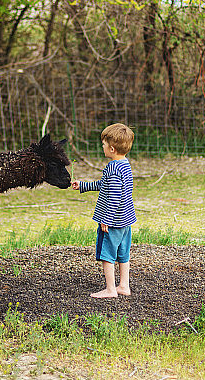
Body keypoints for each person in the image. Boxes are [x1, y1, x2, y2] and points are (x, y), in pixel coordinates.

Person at [71, 123, 135, 298]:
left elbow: (114, 197)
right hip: (125, 220)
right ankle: (123, 286)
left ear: (112, 148)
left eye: (104, 145)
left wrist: (106, 219)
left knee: (107, 254)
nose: (103, 147)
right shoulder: (124, 165)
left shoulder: (113, 168)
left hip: (113, 222)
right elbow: (104, 185)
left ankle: (110, 289)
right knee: (123, 253)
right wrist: (83, 185)